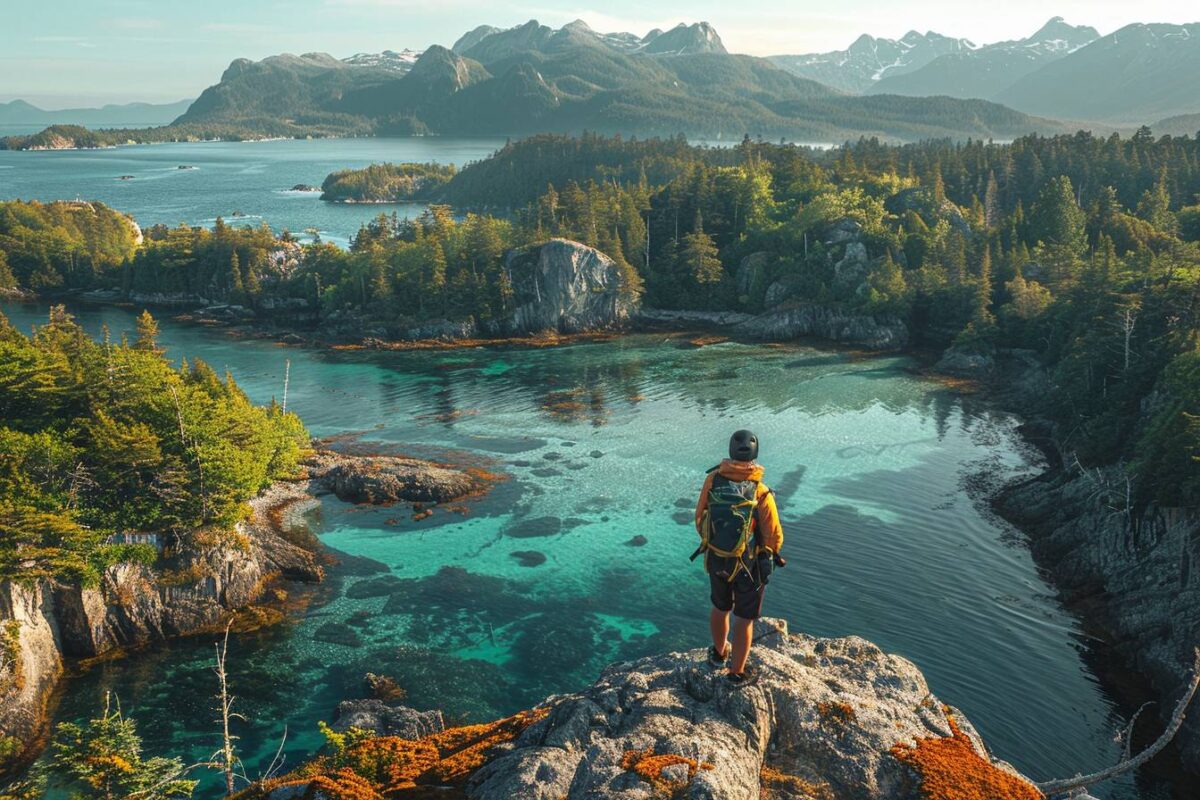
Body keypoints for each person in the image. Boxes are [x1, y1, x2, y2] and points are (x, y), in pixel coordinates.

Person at [692, 429, 784, 686]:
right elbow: (774, 534)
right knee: (744, 618)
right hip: (748, 565)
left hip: (717, 559)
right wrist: (770, 554)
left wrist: (715, 543)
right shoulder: (760, 490)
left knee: (720, 607)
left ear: (731, 452)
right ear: (754, 456)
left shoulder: (713, 480)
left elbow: (700, 518)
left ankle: (719, 654)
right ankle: (736, 673)